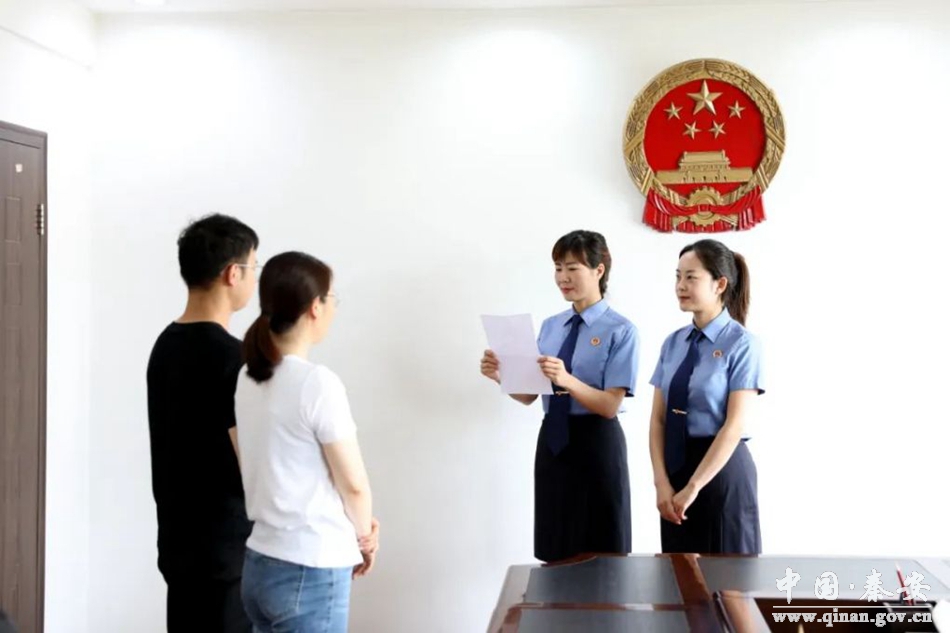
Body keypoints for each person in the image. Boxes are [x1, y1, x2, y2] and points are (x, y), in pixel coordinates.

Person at [235, 251, 379, 632]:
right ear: (315, 307)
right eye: (331, 298)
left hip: (260, 562)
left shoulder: (246, 378)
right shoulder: (317, 383)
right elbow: (353, 484)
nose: (333, 307)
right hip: (309, 568)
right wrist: (364, 537)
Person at [480, 230, 639, 563]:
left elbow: (610, 405)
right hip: (553, 441)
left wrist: (566, 379)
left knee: (602, 546)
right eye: (558, 268)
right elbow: (529, 395)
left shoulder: (621, 330)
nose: (563, 277)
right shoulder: (552, 326)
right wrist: (501, 376)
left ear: (598, 270)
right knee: (555, 542)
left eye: (572, 268)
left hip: (597, 443)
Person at [146, 213, 259, 632]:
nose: (255, 279)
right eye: (254, 266)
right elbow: (252, 464)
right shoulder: (233, 359)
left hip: (178, 542)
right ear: (233, 273)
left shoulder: (164, 346)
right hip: (227, 551)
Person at [648, 238, 764, 554]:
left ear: (719, 284)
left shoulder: (742, 344)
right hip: (676, 469)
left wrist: (694, 487)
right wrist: (662, 483)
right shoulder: (673, 343)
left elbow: (734, 426)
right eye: (678, 276)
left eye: (691, 277)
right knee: (679, 576)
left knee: (728, 578)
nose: (680, 286)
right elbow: (658, 420)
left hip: (720, 472)